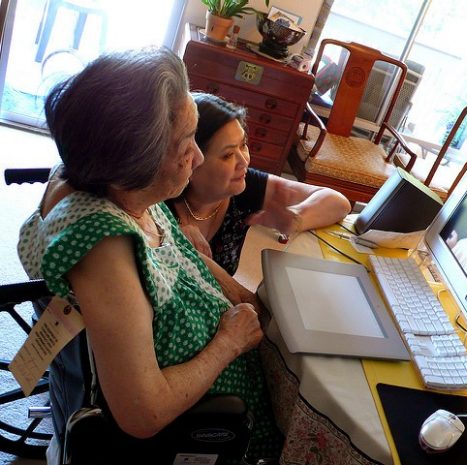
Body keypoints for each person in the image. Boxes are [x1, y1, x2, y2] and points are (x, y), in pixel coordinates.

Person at [17, 48, 281, 464]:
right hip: (201, 426)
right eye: (185, 145)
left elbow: (178, 251)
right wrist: (228, 344)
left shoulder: (115, 182)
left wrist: (238, 293)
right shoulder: (105, 250)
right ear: (135, 161)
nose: (196, 158)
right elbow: (144, 412)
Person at [166, 93, 352, 275]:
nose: (244, 161)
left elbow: (338, 202)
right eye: (228, 155)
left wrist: (296, 217)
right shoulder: (156, 201)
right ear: (190, 161)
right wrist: (167, 233)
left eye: (243, 145)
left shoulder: (244, 184)